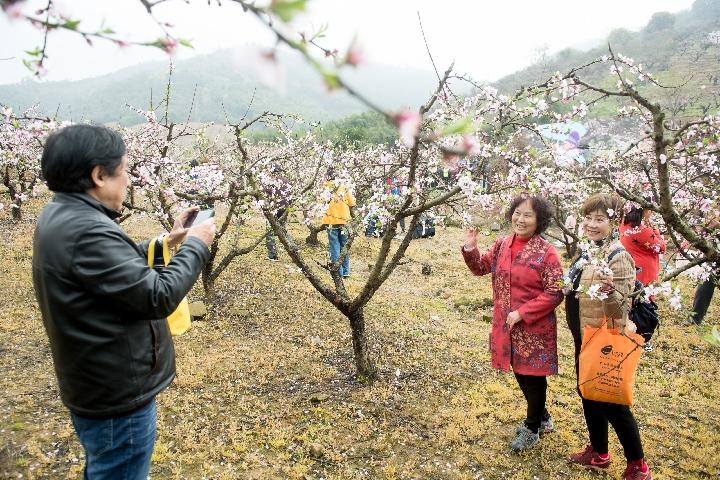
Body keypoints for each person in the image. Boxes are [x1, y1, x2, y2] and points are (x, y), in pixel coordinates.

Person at [32, 124, 215, 480]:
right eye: (125, 171)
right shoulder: (87, 231)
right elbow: (157, 296)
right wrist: (196, 244)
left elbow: (114, 269)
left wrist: (170, 239)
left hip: (94, 381)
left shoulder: (63, 215)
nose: (129, 181)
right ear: (99, 175)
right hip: (116, 393)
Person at [461, 193, 563, 451]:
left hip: (534, 328)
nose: (520, 219)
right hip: (506, 324)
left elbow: (555, 291)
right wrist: (471, 247)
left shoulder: (547, 253)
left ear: (539, 220)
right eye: (517, 213)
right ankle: (542, 418)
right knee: (519, 371)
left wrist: (523, 313)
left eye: (528, 215)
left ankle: (532, 428)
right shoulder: (502, 244)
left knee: (534, 376)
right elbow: (480, 269)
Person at [564, 193, 652, 480]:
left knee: (613, 403)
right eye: (588, 218)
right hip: (584, 336)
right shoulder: (590, 250)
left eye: (599, 219)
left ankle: (638, 466)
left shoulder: (619, 257)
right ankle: (600, 453)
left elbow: (621, 314)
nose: (591, 224)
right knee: (589, 394)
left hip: (604, 341)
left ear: (614, 223)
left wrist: (611, 291)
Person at [321, 168, 356, 278]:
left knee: (334, 245)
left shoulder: (325, 187)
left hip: (331, 221)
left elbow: (320, 203)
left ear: (327, 176)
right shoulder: (344, 186)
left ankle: (338, 272)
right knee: (344, 245)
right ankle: (346, 271)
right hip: (344, 220)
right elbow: (352, 203)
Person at [619, 206, 666, 286]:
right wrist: (655, 229)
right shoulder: (643, 230)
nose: (651, 213)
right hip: (644, 271)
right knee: (645, 295)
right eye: (650, 210)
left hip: (628, 266)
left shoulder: (623, 223)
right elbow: (661, 248)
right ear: (645, 211)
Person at [687, 215, 719, 325]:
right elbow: (702, 236)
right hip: (714, 259)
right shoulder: (715, 217)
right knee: (705, 287)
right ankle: (695, 318)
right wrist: (709, 227)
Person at [263, 165, 292, 261]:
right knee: (282, 230)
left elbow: (265, 194)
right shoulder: (287, 181)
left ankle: (272, 255)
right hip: (285, 208)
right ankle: (293, 248)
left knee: (269, 232)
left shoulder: (269, 181)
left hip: (273, 209)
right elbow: (290, 195)